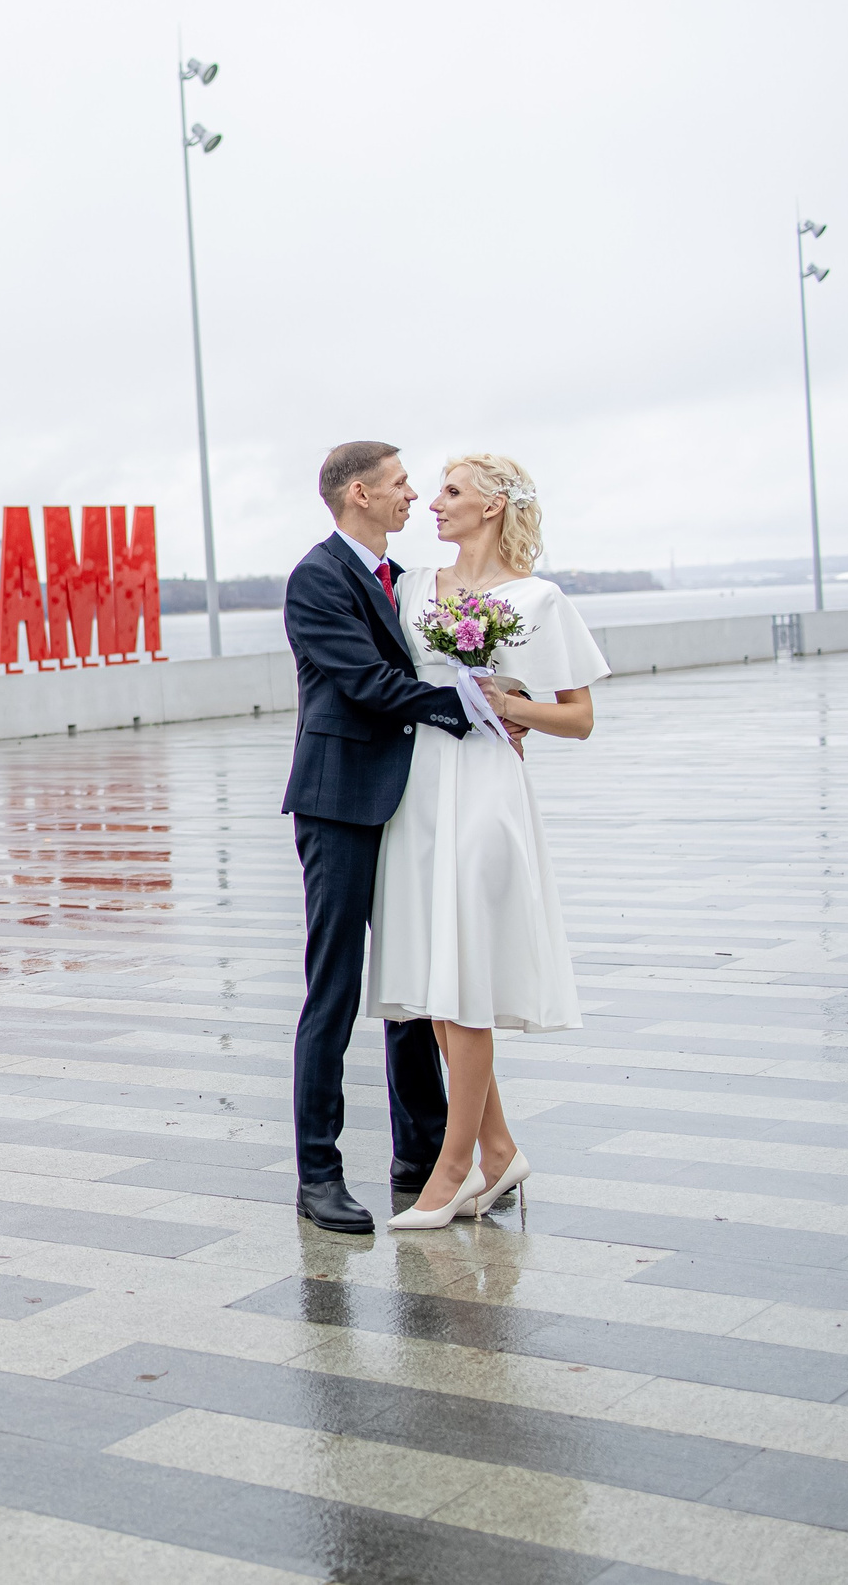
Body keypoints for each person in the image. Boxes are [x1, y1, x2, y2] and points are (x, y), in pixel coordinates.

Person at [370, 453, 607, 1229]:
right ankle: (501, 1152)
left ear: (494, 505)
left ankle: (453, 1169)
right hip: (422, 791)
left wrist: (513, 704)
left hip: (487, 789)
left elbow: (577, 715)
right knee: (443, 985)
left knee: (465, 980)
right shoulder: (411, 589)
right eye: (435, 489)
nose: (433, 504)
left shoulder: (537, 598)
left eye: (451, 492)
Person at [281, 441, 479, 1234]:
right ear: (359, 493)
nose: (413, 495)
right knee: (334, 990)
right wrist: (465, 708)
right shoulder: (317, 578)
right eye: (401, 484)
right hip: (338, 804)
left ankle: (422, 1152)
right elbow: (364, 681)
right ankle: (317, 1176)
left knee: (410, 984)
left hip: (406, 803)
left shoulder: (405, 582)